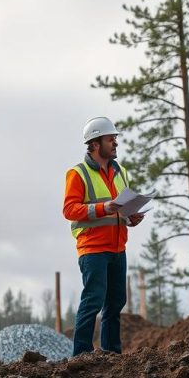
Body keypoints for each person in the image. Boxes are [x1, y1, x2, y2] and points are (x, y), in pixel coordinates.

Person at [63, 117, 145, 355]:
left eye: (115, 139)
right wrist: (102, 208)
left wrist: (131, 217)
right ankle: (81, 356)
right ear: (95, 143)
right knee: (93, 302)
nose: (115, 143)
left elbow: (121, 208)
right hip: (92, 248)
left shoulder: (122, 173)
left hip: (118, 247)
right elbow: (69, 210)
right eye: (111, 139)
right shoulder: (77, 174)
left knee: (115, 303)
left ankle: (111, 354)